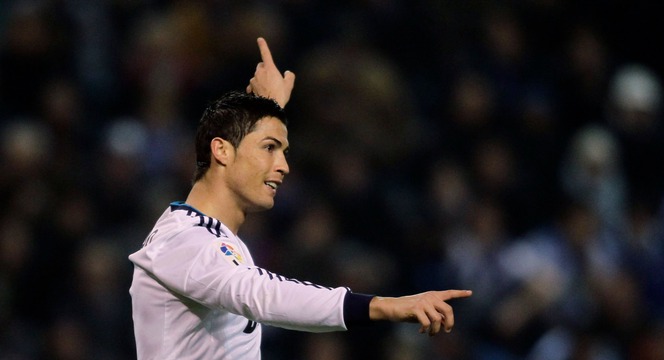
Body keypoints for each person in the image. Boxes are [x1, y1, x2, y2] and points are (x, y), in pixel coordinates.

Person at [128, 37, 472, 359]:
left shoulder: (214, 238)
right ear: (221, 151)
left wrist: (268, 108)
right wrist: (384, 306)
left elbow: (242, 138)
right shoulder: (184, 239)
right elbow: (260, 293)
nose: (284, 167)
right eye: (270, 149)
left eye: (284, 151)